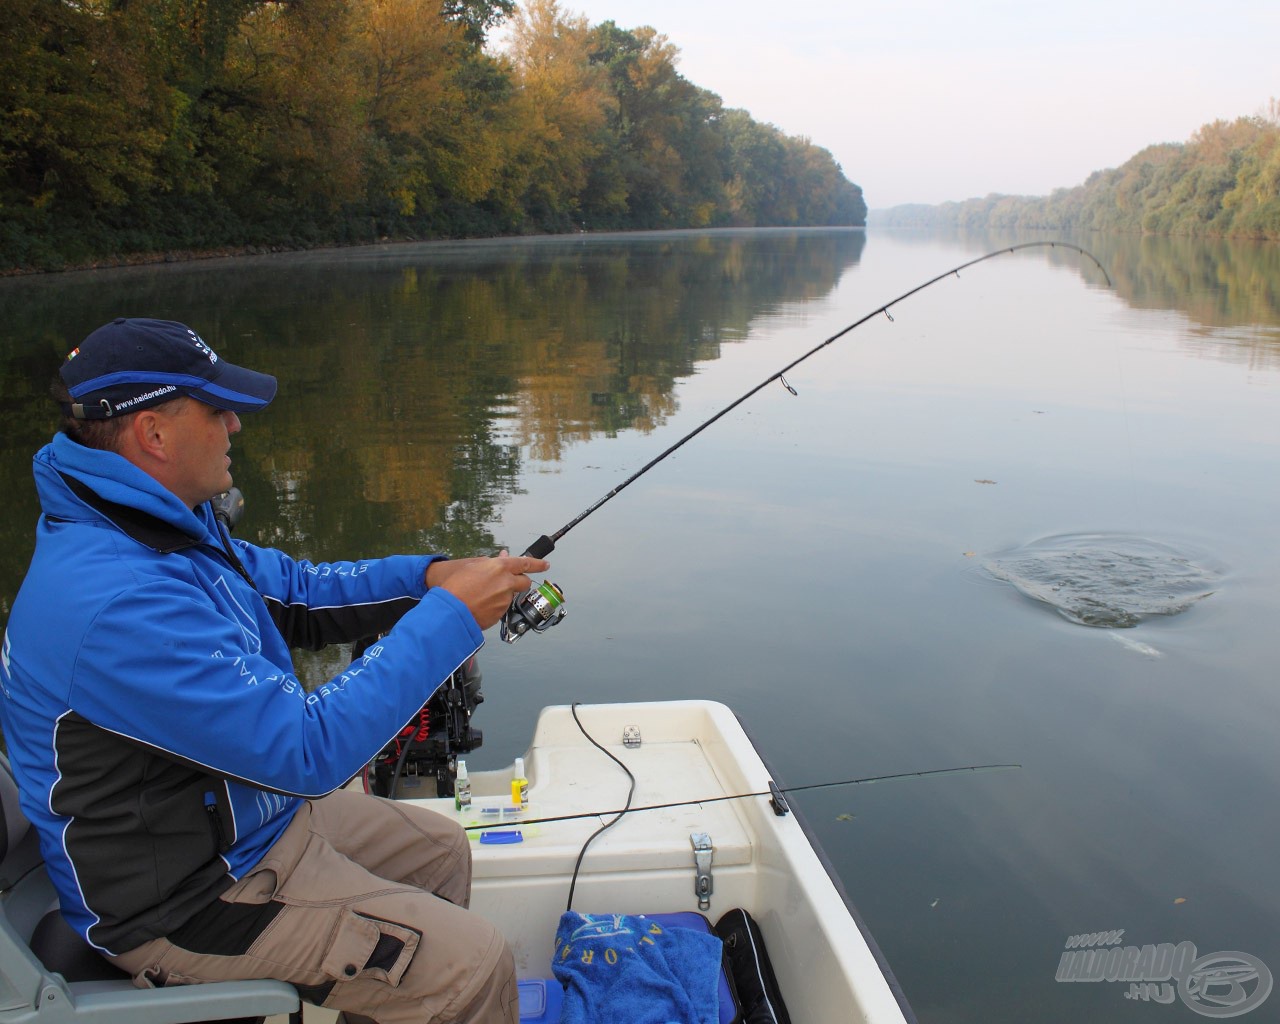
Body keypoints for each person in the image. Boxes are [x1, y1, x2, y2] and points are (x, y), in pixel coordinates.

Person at [0, 317, 550, 1023]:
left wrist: (432, 577)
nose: (235, 423)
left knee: (438, 850)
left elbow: (296, 591)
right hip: (186, 900)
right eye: (215, 409)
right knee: (473, 968)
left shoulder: (159, 524)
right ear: (155, 436)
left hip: (235, 821)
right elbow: (304, 750)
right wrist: (448, 618)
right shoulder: (114, 601)